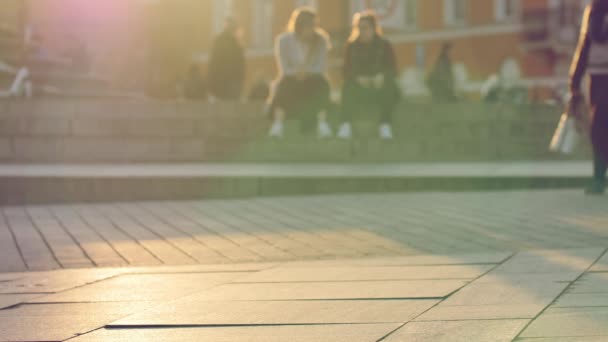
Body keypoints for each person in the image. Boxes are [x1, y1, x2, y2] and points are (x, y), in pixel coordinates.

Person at [267, 7, 332, 138]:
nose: (312, 29)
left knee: (322, 84)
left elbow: (321, 67)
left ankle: (322, 124)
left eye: (314, 25)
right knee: (283, 86)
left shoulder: (321, 41)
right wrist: (297, 73)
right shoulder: (283, 41)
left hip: (313, 78)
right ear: (299, 26)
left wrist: (306, 72)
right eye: (309, 26)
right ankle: (277, 125)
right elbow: (284, 67)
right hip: (291, 78)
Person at [337, 11, 400, 140]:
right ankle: (345, 125)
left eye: (365, 28)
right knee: (347, 87)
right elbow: (345, 71)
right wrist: (358, 79)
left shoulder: (384, 45)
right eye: (359, 28)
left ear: (373, 28)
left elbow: (393, 69)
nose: (362, 31)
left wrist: (381, 76)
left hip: (379, 85)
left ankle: (385, 125)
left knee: (389, 87)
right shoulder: (352, 46)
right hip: (359, 87)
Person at [570, 0, 608, 195]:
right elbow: (584, 45)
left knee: (601, 126)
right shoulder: (592, 12)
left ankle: (599, 179)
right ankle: (598, 179)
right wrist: (575, 80)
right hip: (596, 78)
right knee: (598, 130)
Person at [208, 17, 245, 101]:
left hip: (221, 82)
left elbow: (213, 63)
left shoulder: (220, 40)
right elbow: (240, 64)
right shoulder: (235, 42)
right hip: (230, 82)